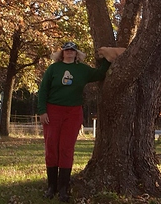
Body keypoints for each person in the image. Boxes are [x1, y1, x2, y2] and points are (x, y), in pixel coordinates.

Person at [37, 41, 113, 202]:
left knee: (66, 148)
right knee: (51, 147)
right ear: (62, 53)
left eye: (72, 50)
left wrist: (108, 60)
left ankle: (64, 188)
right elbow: (43, 90)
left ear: (76, 53)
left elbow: (99, 74)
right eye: (66, 50)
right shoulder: (53, 69)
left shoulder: (82, 70)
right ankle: (52, 186)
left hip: (73, 113)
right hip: (52, 111)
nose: (69, 52)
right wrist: (42, 111)